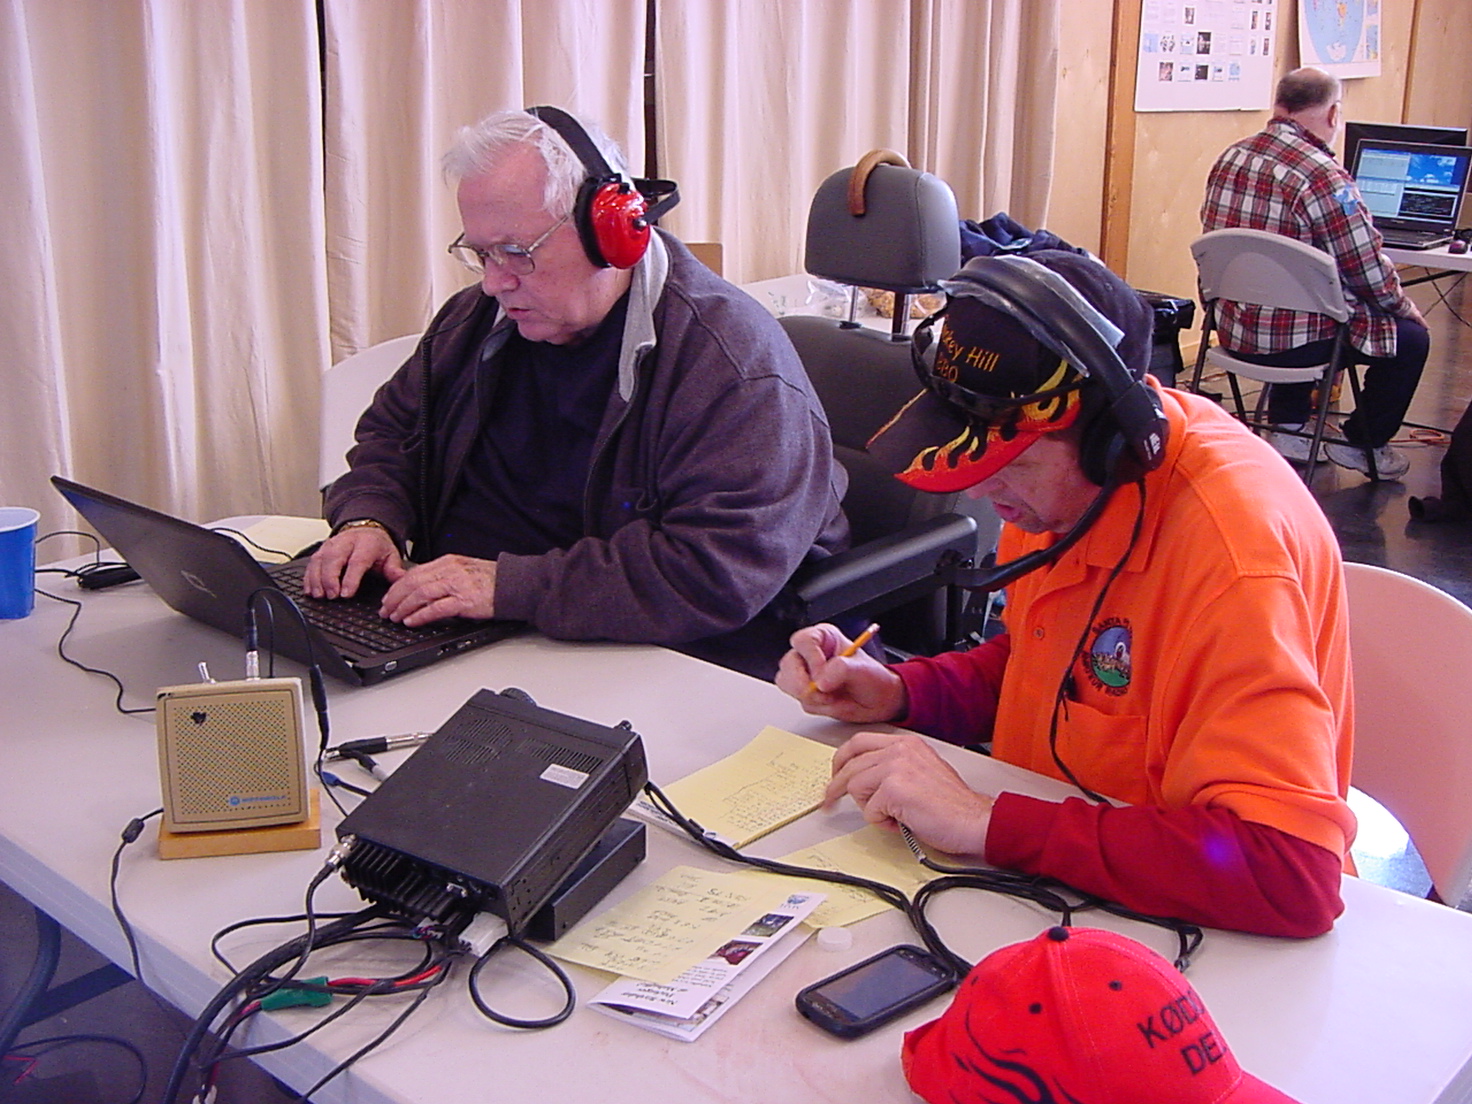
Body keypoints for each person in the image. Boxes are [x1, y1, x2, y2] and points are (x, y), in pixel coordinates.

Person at [776, 249, 1356, 939]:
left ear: (1113, 439)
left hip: (1202, 931)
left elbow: (1287, 872)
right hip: (1056, 893)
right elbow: (1050, 663)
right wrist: (904, 693)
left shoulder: (1233, 562)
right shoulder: (1061, 493)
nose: (980, 487)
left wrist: (987, 822)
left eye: (1012, 462)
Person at [305, 107, 848, 678]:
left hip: (658, 657)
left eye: (517, 252)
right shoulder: (476, 321)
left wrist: (508, 587)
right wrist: (370, 519)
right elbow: (392, 433)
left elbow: (713, 572)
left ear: (612, 232)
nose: (494, 282)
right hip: (479, 632)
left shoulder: (733, 366)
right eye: (483, 254)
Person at [1200, 66, 1429, 480]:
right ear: (1333, 113)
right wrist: (1404, 307)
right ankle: (1364, 445)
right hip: (1297, 344)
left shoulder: (1230, 157)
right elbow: (1366, 267)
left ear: (1279, 104)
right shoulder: (1324, 176)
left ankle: (1288, 426)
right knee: (1411, 338)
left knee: (1298, 304)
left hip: (1231, 330)